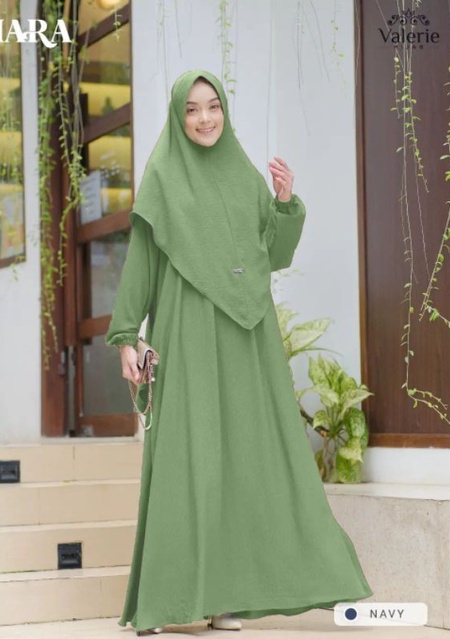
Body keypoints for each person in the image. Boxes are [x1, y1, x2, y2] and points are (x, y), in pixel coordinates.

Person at [105, 69, 372, 636]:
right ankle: (164, 602)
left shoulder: (244, 174)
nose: (205, 118)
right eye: (192, 109)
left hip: (247, 333)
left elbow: (272, 255)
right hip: (187, 331)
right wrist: (127, 334)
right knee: (186, 457)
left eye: (213, 107)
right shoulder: (163, 176)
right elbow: (143, 260)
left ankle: (226, 598)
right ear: (178, 117)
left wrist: (284, 203)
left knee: (243, 461)